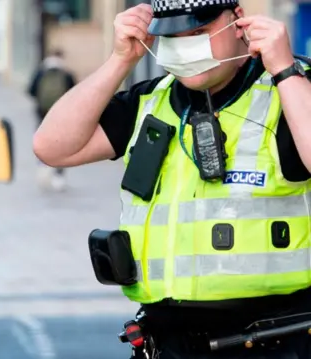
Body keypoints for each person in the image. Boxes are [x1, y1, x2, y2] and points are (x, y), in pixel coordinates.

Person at [34, 0, 311, 358]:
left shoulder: (290, 91)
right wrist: (120, 60)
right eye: (173, 36)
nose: (186, 45)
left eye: (198, 32)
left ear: (238, 21)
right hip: (168, 341)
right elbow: (52, 147)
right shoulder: (151, 101)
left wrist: (285, 70)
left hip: (273, 340)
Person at [28, 49, 76, 192]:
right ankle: (59, 175)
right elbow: (75, 93)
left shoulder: (41, 72)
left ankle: (43, 166)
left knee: (42, 138)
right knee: (61, 142)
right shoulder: (66, 74)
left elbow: (31, 90)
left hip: (42, 112)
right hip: (62, 113)